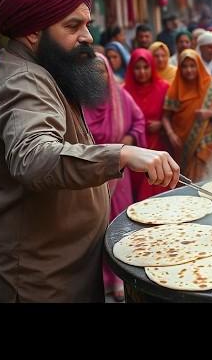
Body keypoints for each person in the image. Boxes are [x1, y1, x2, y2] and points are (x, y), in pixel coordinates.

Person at [0, 0, 180, 302]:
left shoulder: (44, 70)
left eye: (87, 24)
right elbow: (35, 158)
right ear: (34, 32)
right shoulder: (21, 80)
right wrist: (122, 153)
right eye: (73, 26)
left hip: (61, 270)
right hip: (35, 283)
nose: (87, 37)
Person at [83, 53, 146, 302]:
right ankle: (102, 278)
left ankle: (119, 276)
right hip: (90, 176)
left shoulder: (120, 96)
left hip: (119, 177)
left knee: (118, 224)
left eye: (101, 71)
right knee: (95, 226)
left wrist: (129, 140)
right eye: (91, 71)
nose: (97, 76)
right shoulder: (77, 101)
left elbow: (139, 120)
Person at [162, 50, 212, 182]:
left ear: (198, 66)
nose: (189, 70)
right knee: (189, 181)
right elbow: (165, 117)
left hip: (208, 140)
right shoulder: (175, 88)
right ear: (180, 68)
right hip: (183, 143)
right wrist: (171, 134)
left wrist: (210, 114)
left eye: (192, 66)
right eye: (185, 66)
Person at [124, 48, 171, 202]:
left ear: (152, 67)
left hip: (159, 144)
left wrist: (161, 125)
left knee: (161, 193)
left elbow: (172, 118)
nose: (142, 72)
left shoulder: (164, 87)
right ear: (131, 69)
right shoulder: (124, 92)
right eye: (137, 68)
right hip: (136, 148)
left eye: (146, 67)